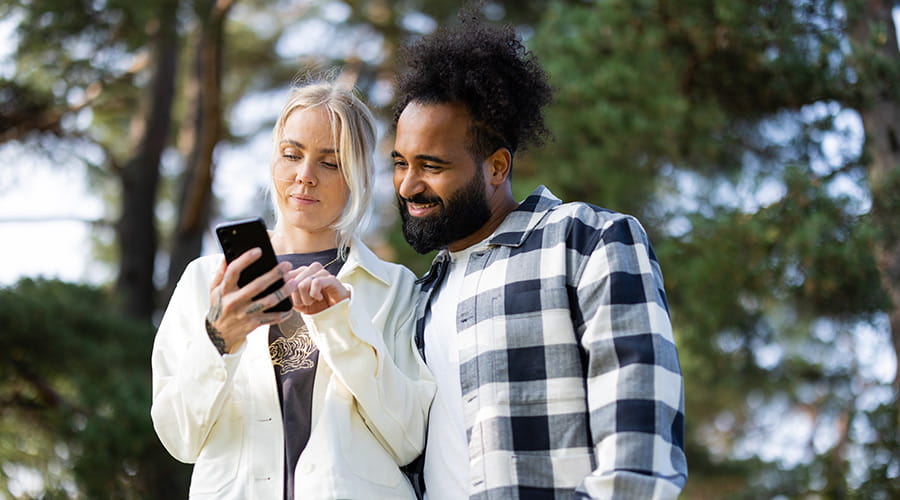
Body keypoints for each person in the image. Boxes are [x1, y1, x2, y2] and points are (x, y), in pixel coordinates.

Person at [390, 19, 687, 500]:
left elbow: (641, 449)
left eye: (432, 165)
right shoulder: (418, 299)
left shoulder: (586, 241)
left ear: (497, 167)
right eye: (400, 162)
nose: (407, 185)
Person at [151, 79, 435, 500]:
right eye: (292, 155)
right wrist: (219, 338)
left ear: (357, 174)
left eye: (330, 162)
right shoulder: (205, 280)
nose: (305, 176)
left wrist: (341, 327)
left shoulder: (395, 288)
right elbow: (180, 439)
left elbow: (409, 439)